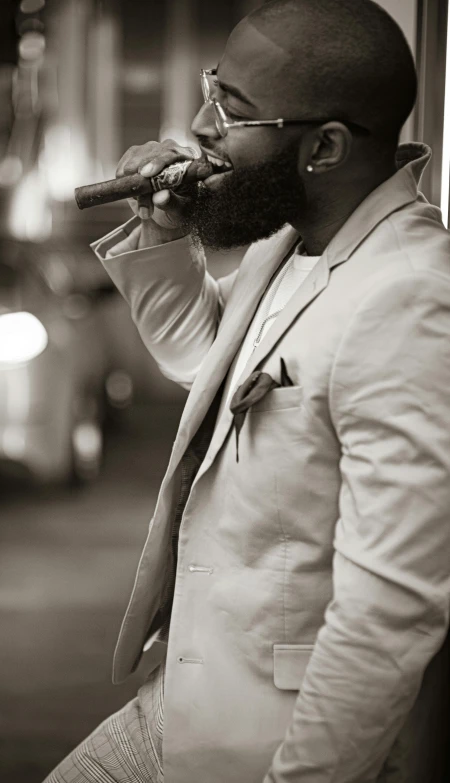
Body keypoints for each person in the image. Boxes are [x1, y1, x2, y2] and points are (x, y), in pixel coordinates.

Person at [44, 1, 450, 781]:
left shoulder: (410, 296)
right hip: (188, 695)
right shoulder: (294, 239)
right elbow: (206, 360)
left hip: (269, 730)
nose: (199, 124)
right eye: (212, 89)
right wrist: (165, 232)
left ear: (324, 146)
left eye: (232, 109)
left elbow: (386, 618)